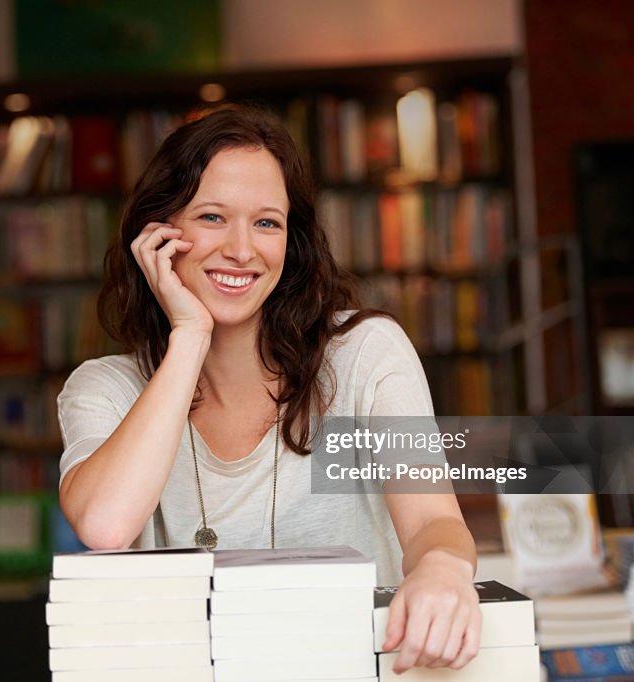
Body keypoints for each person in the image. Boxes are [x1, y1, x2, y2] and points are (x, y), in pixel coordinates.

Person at [57, 105, 481, 672]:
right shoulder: (103, 389)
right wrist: (190, 336)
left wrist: (441, 572)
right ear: (157, 235)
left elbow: (435, 524)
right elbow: (106, 526)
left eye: (266, 223)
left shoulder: (365, 355)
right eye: (211, 217)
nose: (241, 249)